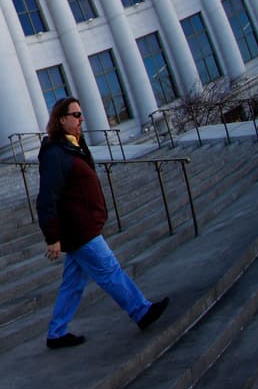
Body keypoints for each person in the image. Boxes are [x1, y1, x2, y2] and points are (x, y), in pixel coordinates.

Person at [36, 96, 170, 349]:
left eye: (81, 114)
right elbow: (47, 198)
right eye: (75, 115)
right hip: (79, 229)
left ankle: (56, 332)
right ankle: (141, 311)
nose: (81, 119)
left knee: (73, 283)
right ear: (61, 119)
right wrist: (52, 237)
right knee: (109, 270)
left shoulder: (72, 146)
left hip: (82, 225)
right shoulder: (56, 153)